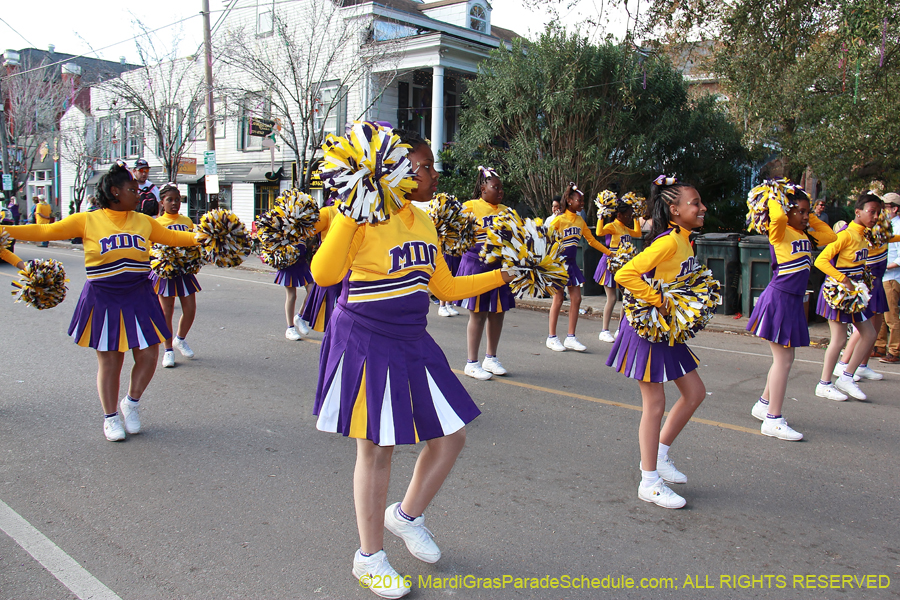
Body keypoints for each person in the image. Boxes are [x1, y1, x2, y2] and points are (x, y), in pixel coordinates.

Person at [310, 126, 514, 598]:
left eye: (431, 164)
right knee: (377, 448)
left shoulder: (424, 221)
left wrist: (505, 275)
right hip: (365, 338)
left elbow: (445, 288)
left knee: (451, 436)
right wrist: (350, 208)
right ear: (394, 168)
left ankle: (406, 516)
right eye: (423, 165)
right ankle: (369, 558)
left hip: (411, 339)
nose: (433, 173)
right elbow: (323, 274)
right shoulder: (360, 216)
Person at [1, 160, 200, 442]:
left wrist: (205, 237)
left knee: (149, 354)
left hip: (139, 294)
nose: (139, 193)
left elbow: (172, 238)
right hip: (104, 296)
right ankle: (110, 418)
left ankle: (131, 403)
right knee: (111, 360)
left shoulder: (144, 221)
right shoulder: (88, 220)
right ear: (116, 191)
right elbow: (45, 231)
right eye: (133, 188)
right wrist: (6, 230)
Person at [606, 175, 708, 509]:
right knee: (655, 405)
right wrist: (658, 299)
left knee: (694, 393)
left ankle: (660, 455)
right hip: (646, 330)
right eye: (695, 203)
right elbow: (625, 274)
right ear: (674, 210)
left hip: (666, 331)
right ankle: (648, 480)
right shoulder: (667, 242)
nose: (702, 207)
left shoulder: (686, 239)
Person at [746, 182, 836, 441]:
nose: (807, 216)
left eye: (809, 212)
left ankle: (764, 404)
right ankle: (773, 419)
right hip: (780, 299)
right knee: (784, 360)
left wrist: (810, 215)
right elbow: (777, 216)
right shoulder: (780, 233)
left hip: (793, 301)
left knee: (784, 360)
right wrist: (775, 195)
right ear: (787, 211)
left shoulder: (803, 235)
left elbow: (831, 238)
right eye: (801, 211)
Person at [813, 192, 883, 402]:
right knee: (839, 339)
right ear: (858, 212)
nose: (876, 216)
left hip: (855, 294)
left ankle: (846, 377)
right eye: (872, 212)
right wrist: (843, 279)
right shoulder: (845, 235)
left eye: (878, 213)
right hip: (839, 294)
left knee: (869, 334)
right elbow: (821, 261)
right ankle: (824, 383)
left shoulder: (866, 235)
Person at [453, 166, 517, 380]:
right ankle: (472, 362)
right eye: (495, 187)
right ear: (483, 188)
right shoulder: (469, 207)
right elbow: (454, 232)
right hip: (476, 266)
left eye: (501, 188)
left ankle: (491, 357)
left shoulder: (507, 211)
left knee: (498, 312)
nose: (500, 191)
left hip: (500, 269)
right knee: (478, 314)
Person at [545, 183, 611, 352]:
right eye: (579, 200)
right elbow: (546, 240)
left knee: (576, 299)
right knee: (558, 299)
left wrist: (609, 252)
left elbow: (592, 241)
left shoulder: (580, 221)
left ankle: (571, 337)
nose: (582, 203)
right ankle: (551, 337)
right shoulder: (559, 220)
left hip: (572, 264)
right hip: (558, 264)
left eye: (582, 200)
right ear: (569, 200)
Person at [149, 184, 201, 368]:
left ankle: (180, 338)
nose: (174, 203)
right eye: (169, 200)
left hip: (185, 272)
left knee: (190, 309)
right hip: (166, 272)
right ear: (162, 202)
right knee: (166, 312)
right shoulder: (156, 223)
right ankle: (168, 350)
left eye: (177, 199)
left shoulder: (187, 221)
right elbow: (151, 248)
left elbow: (194, 241)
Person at [594, 199, 641, 343]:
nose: (629, 218)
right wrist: (601, 216)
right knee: (612, 298)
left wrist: (636, 218)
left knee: (627, 297)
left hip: (623, 265)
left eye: (630, 216)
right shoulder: (612, 226)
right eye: (627, 216)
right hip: (610, 264)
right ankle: (604, 330)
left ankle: (620, 329)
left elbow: (638, 233)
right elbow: (599, 232)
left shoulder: (626, 228)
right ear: (619, 215)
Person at [875, 193, 900, 363]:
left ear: (895, 208)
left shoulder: (898, 227)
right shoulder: (886, 224)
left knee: (891, 316)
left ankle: (894, 350)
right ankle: (880, 346)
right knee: (882, 315)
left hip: (892, 277)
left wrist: (885, 266)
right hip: (883, 277)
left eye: (885, 207)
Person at [278, 243, 314, 341]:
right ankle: (290, 328)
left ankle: (299, 317)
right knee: (292, 296)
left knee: (312, 290)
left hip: (301, 262)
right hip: (287, 262)